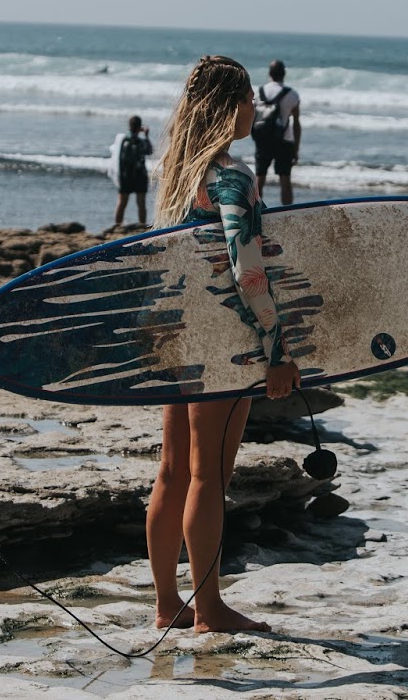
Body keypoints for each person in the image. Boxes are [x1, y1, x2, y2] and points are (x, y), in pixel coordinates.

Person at [146, 55, 301, 633]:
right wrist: (277, 347)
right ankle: (208, 609)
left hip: (179, 334)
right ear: (227, 106)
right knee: (209, 473)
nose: (254, 109)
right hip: (222, 342)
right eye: (246, 100)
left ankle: (167, 604)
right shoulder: (230, 176)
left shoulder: (178, 177)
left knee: (171, 472)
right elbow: (247, 266)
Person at [251, 59, 301, 205]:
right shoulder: (292, 94)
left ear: (269, 73)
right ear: (284, 74)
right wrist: (296, 149)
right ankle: (288, 213)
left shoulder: (259, 93)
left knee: (260, 178)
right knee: (285, 178)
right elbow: (296, 122)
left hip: (263, 140)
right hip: (284, 141)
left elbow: (252, 117)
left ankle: (257, 212)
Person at [109, 116, 153, 227]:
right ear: (140, 127)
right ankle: (142, 225)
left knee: (122, 202)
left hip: (125, 175)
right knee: (141, 203)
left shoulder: (122, 140)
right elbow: (150, 151)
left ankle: (118, 225)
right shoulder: (140, 142)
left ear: (129, 126)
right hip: (139, 175)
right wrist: (147, 136)